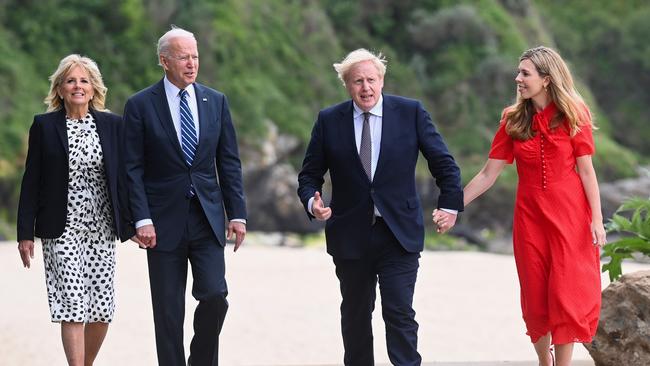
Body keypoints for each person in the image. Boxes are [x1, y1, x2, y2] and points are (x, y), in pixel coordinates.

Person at [298, 48, 463, 365]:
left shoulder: (411, 113)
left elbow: (444, 164)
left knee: (399, 312)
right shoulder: (329, 120)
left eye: (371, 80)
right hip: (350, 235)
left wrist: (450, 206)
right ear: (347, 85)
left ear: (382, 81)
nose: (366, 88)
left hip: (398, 234)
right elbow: (309, 175)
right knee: (356, 316)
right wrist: (312, 201)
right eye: (357, 81)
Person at [461, 46, 605, 366]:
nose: (518, 79)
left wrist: (596, 219)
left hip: (569, 219)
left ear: (547, 78)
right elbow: (488, 173)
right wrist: (453, 205)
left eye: (525, 73)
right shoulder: (512, 119)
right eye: (519, 72)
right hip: (530, 221)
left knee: (566, 296)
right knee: (536, 298)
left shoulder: (574, 114)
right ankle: (544, 359)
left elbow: (586, 171)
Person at [123, 26, 247, 366]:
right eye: (183, 57)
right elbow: (131, 168)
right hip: (160, 223)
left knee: (215, 296)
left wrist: (237, 214)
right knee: (168, 310)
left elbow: (229, 162)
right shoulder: (140, 105)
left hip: (207, 217)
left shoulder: (216, 101)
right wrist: (141, 218)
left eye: (194, 56)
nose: (191, 64)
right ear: (164, 61)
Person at [16, 54, 136, 365]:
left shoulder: (113, 125)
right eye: (71, 80)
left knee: (101, 309)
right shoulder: (44, 126)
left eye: (84, 80)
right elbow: (32, 181)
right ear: (60, 88)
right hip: (61, 227)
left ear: (94, 88)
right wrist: (24, 233)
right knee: (72, 303)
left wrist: (134, 222)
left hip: (102, 228)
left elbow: (124, 178)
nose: (78, 86)